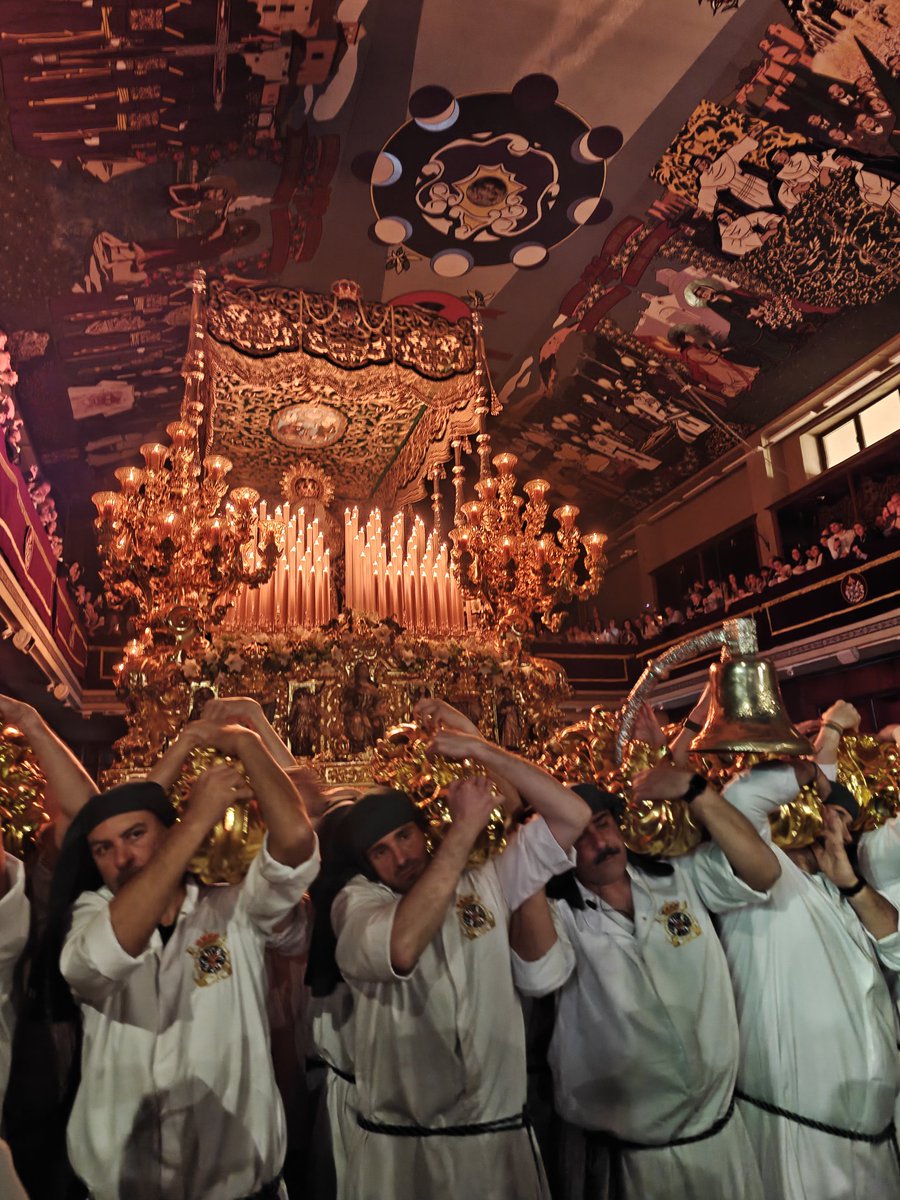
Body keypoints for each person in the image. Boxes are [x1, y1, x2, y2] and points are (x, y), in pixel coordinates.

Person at [330, 699, 592, 1200]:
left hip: (498, 1150)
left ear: (424, 829)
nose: (400, 858)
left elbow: (572, 816)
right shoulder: (356, 904)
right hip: (404, 1163)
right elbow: (402, 947)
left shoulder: (485, 874)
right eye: (380, 851)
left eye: (405, 836)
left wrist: (482, 748)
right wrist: (465, 829)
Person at [52, 722, 319, 1200]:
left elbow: (296, 844)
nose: (122, 857)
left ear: (166, 833)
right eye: (103, 848)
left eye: (136, 835)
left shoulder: (235, 906)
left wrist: (248, 742)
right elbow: (93, 965)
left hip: (238, 1190)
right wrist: (196, 821)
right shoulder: (90, 916)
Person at [510, 764, 777, 1200]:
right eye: (577, 838)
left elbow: (763, 872)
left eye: (603, 824)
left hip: (721, 1140)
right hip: (626, 1162)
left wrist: (696, 791)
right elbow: (538, 976)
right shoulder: (557, 915)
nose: (598, 843)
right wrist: (533, 855)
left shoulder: (678, 875)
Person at [716, 722, 900, 1200]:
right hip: (798, 1145)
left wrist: (853, 886)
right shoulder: (758, 880)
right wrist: (825, 743)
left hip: (873, 1149)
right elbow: (741, 801)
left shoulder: (838, 884)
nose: (830, 815)